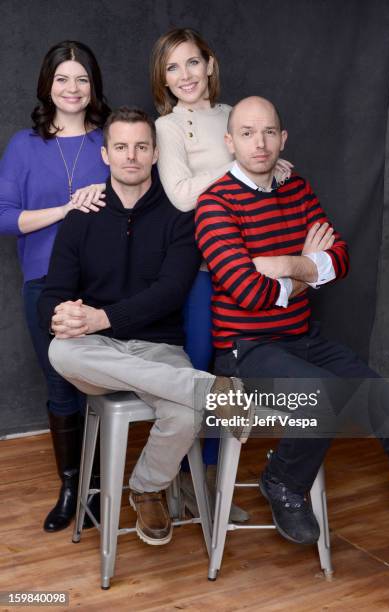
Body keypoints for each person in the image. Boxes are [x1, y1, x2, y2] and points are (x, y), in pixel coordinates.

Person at [195, 96, 389, 571]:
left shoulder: (299, 189)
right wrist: (309, 270)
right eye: (247, 133)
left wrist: (288, 266)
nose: (260, 142)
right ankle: (283, 480)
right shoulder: (214, 205)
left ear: (283, 139)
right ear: (230, 142)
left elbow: (342, 258)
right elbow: (246, 291)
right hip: (245, 349)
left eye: (269, 132)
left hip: (304, 339)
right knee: (323, 397)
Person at [38, 106, 247, 546]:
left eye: (140, 146)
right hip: (95, 351)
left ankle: (148, 486)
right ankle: (209, 389)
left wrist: (104, 316)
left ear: (154, 153)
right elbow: (53, 292)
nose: (131, 156)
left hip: (158, 348)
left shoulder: (179, 218)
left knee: (185, 409)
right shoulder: (83, 216)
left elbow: (170, 292)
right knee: (60, 349)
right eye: (121, 147)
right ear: (106, 155)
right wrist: (59, 315)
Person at [150, 28, 292, 521]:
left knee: (224, 378)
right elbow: (184, 195)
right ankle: (181, 482)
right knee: (198, 375)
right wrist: (239, 161)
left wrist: (269, 162)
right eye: (172, 68)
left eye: (191, 63)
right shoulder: (166, 127)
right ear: (163, 79)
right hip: (200, 270)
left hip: (247, 265)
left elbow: (265, 172)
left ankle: (212, 480)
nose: (184, 76)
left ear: (209, 64)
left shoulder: (236, 116)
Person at [0, 40, 110, 532]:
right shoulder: (25, 145)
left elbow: (152, 194)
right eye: (63, 78)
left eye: (82, 78)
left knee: (107, 381)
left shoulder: (112, 140)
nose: (72, 88)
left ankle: (103, 487)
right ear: (48, 84)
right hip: (45, 283)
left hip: (106, 281)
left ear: (94, 86)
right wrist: (66, 210)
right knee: (60, 381)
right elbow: (4, 218)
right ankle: (72, 486)